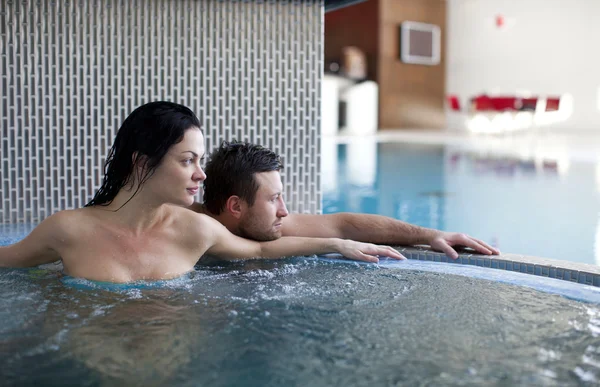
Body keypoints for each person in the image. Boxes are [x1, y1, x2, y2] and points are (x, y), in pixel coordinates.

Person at [0, 102, 403, 283]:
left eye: (201, 160)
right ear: (143, 163)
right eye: (188, 160)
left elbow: (262, 249)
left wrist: (341, 244)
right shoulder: (68, 230)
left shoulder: (195, 230)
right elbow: (7, 264)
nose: (201, 174)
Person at [194, 141, 500, 260]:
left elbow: (342, 224)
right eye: (273, 199)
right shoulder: (189, 230)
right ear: (235, 206)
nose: (284, 211)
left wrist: (431, 235)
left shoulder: (268, 227)